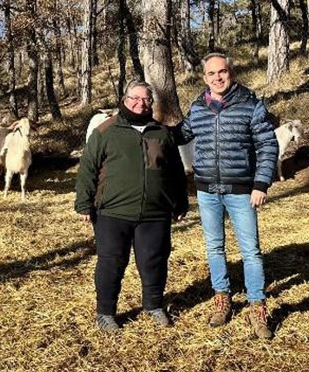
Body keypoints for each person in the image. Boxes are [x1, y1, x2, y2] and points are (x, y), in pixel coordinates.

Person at [178, 53, 278, 339]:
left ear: (230, 73)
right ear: (204, 78)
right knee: (214, 248)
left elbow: (267, 146)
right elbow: (180, 134)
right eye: (211, 74)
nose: (217, 77)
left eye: (222, 72)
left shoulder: (250, 105)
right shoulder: (198, 108)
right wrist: (146, 130)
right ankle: (222, 298)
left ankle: (258, 306)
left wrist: (261, 183)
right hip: (207, 191)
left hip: (241, 191)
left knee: (250, 251)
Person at [75, 80, 188, 332]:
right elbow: (87, 169)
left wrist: (180, 201)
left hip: (155, 213)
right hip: (113, 212)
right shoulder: (106, 131)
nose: (140, 103)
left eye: (146, 99)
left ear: (151, 102)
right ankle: (105, 312)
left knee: (155, 261)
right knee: (111, 262)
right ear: (124, 99)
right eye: (135, 98)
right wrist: (83, 203)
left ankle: (154, 305)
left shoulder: (162, 133)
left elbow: (176, 172)